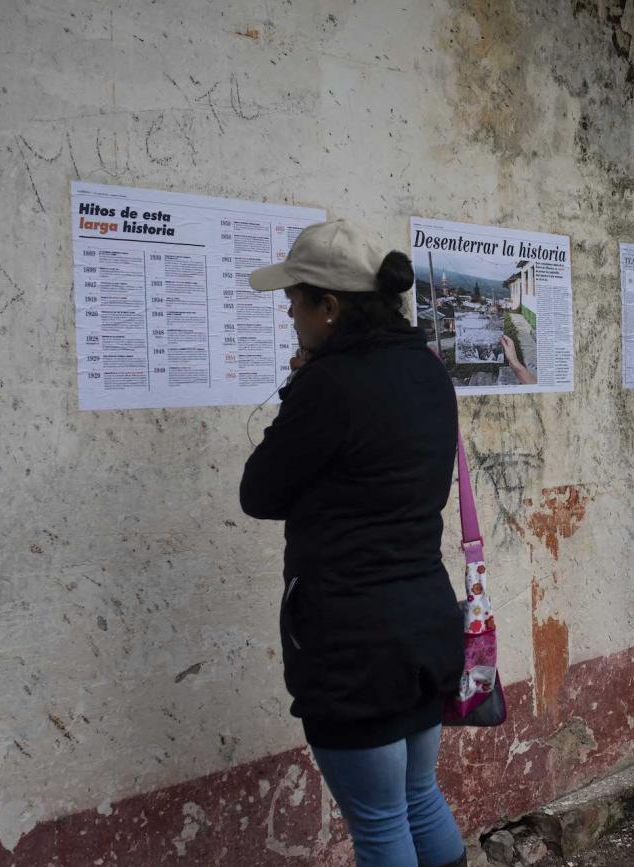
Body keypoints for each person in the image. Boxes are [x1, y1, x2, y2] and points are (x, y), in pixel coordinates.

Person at [240, 219, 468, 867]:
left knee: (378, 824)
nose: (288, 310)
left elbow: (259, 491)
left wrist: (300, 387)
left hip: (351, 643)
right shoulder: (426, 369)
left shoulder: (327, 385)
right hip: (425, 624)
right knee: (419, 797)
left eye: (295, 297)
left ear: (329, 306)